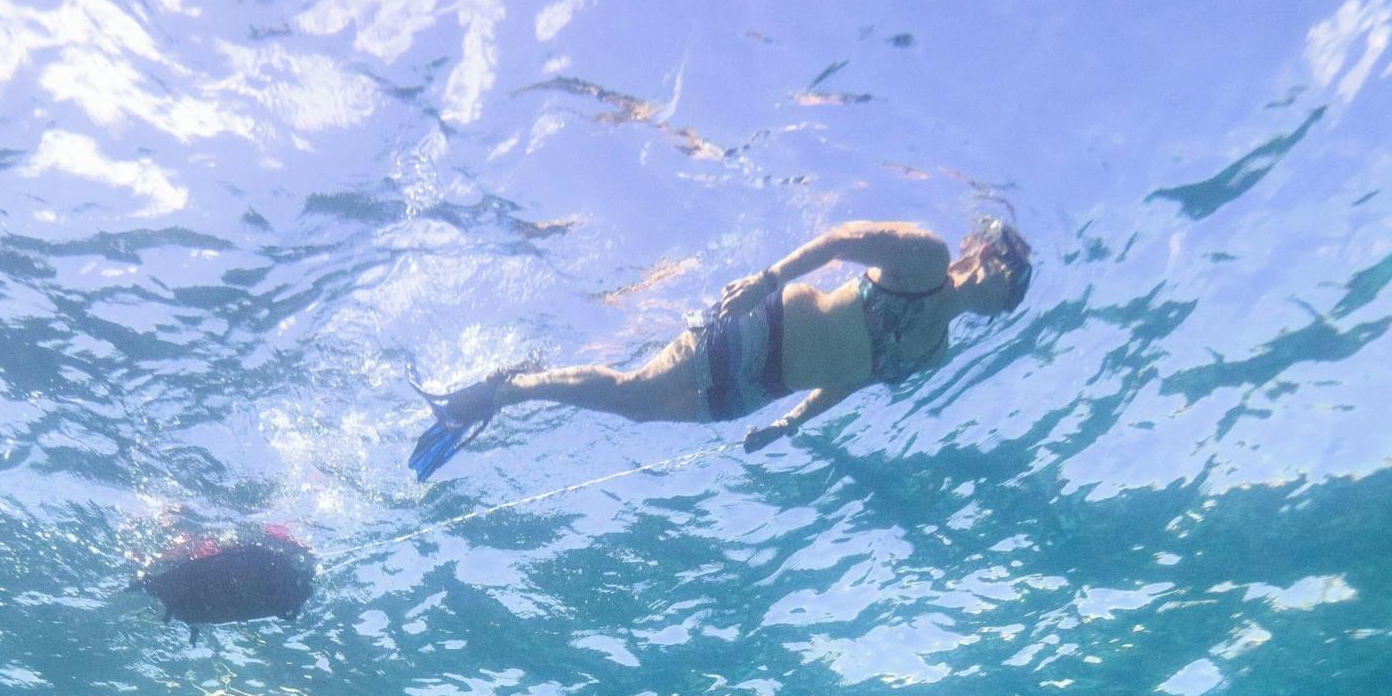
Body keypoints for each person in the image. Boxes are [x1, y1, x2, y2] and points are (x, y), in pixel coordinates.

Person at [408, 215, 1032, 476]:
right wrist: (767, 278)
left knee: (638, 412)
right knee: (635, 389)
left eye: (1017, 292)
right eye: (1014, 268)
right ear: (987, 253)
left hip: (763, 391)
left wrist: (790, 422)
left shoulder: (935, 352)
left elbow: (855, 378)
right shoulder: (926, 258)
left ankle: (525, 379)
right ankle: (504, 391)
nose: (1013, 286)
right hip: (765, 325)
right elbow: (843, 239)